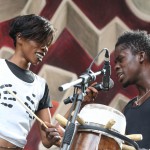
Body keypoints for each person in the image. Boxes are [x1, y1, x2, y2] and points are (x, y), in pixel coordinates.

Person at [0, 14, 64, 150]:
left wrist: (52, 136)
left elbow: (46, 141)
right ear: (20, 37)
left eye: (47, 45)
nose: (45, 48)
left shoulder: (40, 85)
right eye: (40, 41)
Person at [114, 30, 150, 149]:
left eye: (121, 59)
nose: (116, 66)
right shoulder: (128, 109)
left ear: (141, 56)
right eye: (115, 62)